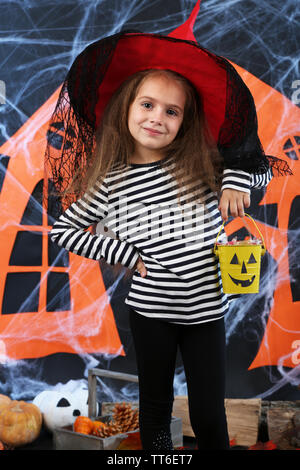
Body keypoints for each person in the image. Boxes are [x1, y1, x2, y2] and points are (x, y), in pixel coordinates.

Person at [45, 24, 291, 450]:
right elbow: (62, 230)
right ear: (125, 108)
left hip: (206, 313)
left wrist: (235, 181)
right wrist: (122, 250)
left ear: (184, 122)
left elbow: (260, 167)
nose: (157, 117)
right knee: (155, 407)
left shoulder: (201, 167)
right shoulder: (112, 183)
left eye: (171, 111)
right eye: (147, 104)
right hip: (151, 314)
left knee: (208, 413)